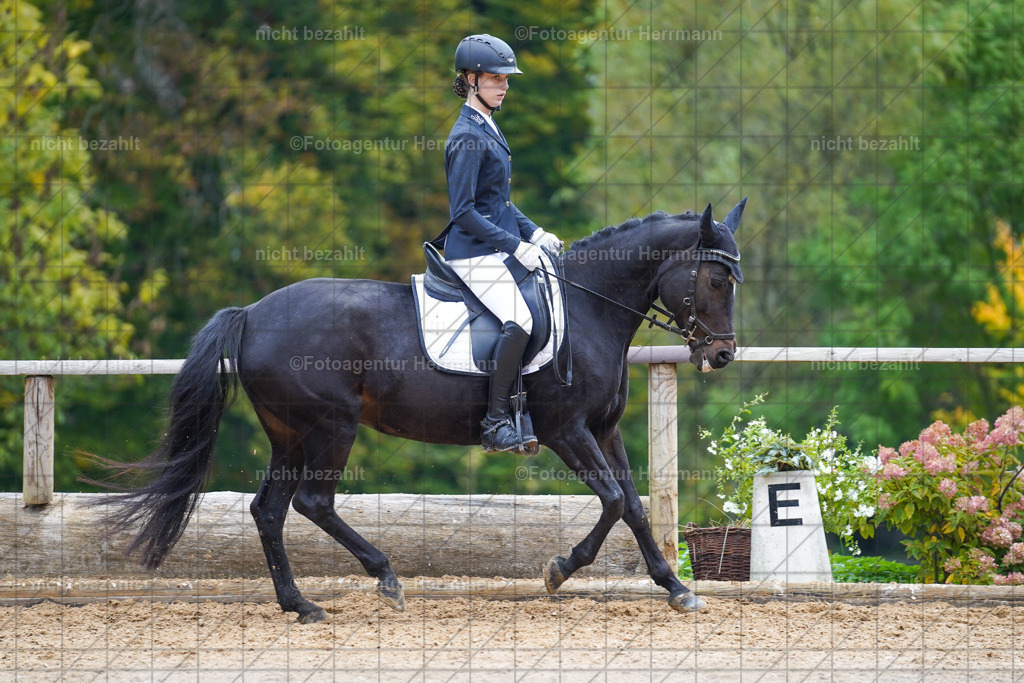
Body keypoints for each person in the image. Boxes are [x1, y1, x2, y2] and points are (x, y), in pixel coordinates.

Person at [438, 34, 562, 453]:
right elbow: (464, 212)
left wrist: (535, 232)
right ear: (471, 79)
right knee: (520, 321)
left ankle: (519, 410)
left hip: (494, 247)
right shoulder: (466, 136)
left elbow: (498, 201)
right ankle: (494, 423)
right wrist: (516, 246)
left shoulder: (486, 125)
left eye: (506, 79)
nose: (504, 86)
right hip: (473, 253)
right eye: (495, 78)